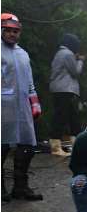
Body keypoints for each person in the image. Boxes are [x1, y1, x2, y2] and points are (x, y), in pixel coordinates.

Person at [1, 12, 43, 202]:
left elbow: (29, 83)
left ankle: (21, 187)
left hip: (22, 106)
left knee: (27, 145)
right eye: (8, 30)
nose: (12, 34)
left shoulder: (23, 54)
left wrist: (34, 102)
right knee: (1, 146)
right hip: (3, 107)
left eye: (15, 31)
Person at [48, 33, 84, 157]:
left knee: (71, 117)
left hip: (60, 89)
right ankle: (56, 148)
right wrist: (80, 60)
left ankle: (77, 146)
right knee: (62, 117)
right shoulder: (68, 54)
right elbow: (76, 72)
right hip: (65, 89)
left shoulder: (60, 53)